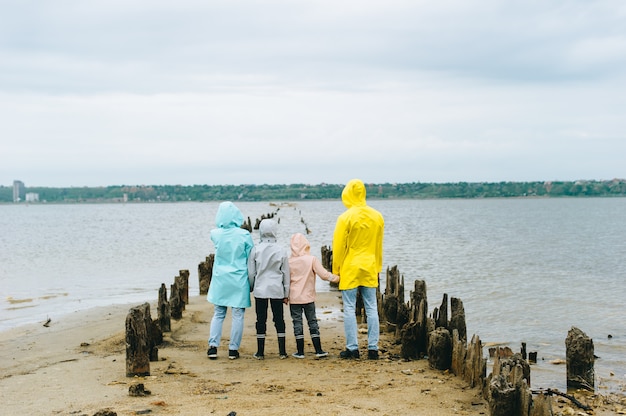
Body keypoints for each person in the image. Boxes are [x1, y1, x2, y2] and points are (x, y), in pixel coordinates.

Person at [332, 179, 385, 360]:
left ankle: (352, 348)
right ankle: (373, 348)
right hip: (370, 265)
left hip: (350, 266)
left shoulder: (345, 218)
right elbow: (379, 245)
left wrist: (336, 269)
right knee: (371, 307)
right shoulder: (377, 216)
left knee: (348, 307)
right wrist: (378, 267)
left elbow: (338, 247)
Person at [206, 201, 254, 360]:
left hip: (221, 278)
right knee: (238, 314)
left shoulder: (215, 234)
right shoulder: (245, 235)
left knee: (218, 313)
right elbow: (251, 258)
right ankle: (233, 349)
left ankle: (213, 347)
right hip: (239, 277)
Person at [288, 232, 340, 359]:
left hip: (294, 298)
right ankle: (318, 350)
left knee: (297, 323)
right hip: (308, 297)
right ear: (306, 245)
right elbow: (324, 275)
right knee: (312, 322)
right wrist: (337, 278)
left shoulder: (289, 261)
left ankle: (300, 352)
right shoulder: (312, 259)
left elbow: (285, 280)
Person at [248, 218, 290, 360]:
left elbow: (251, 272)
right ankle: (282, 351)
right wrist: (286, 293)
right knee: (279, 319)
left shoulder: (256, 249)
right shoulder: (281, 250)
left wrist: (252, 286)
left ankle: (260, 352)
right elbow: (286, 273)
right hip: (276, 289)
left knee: (261, 319)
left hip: (260, 289)